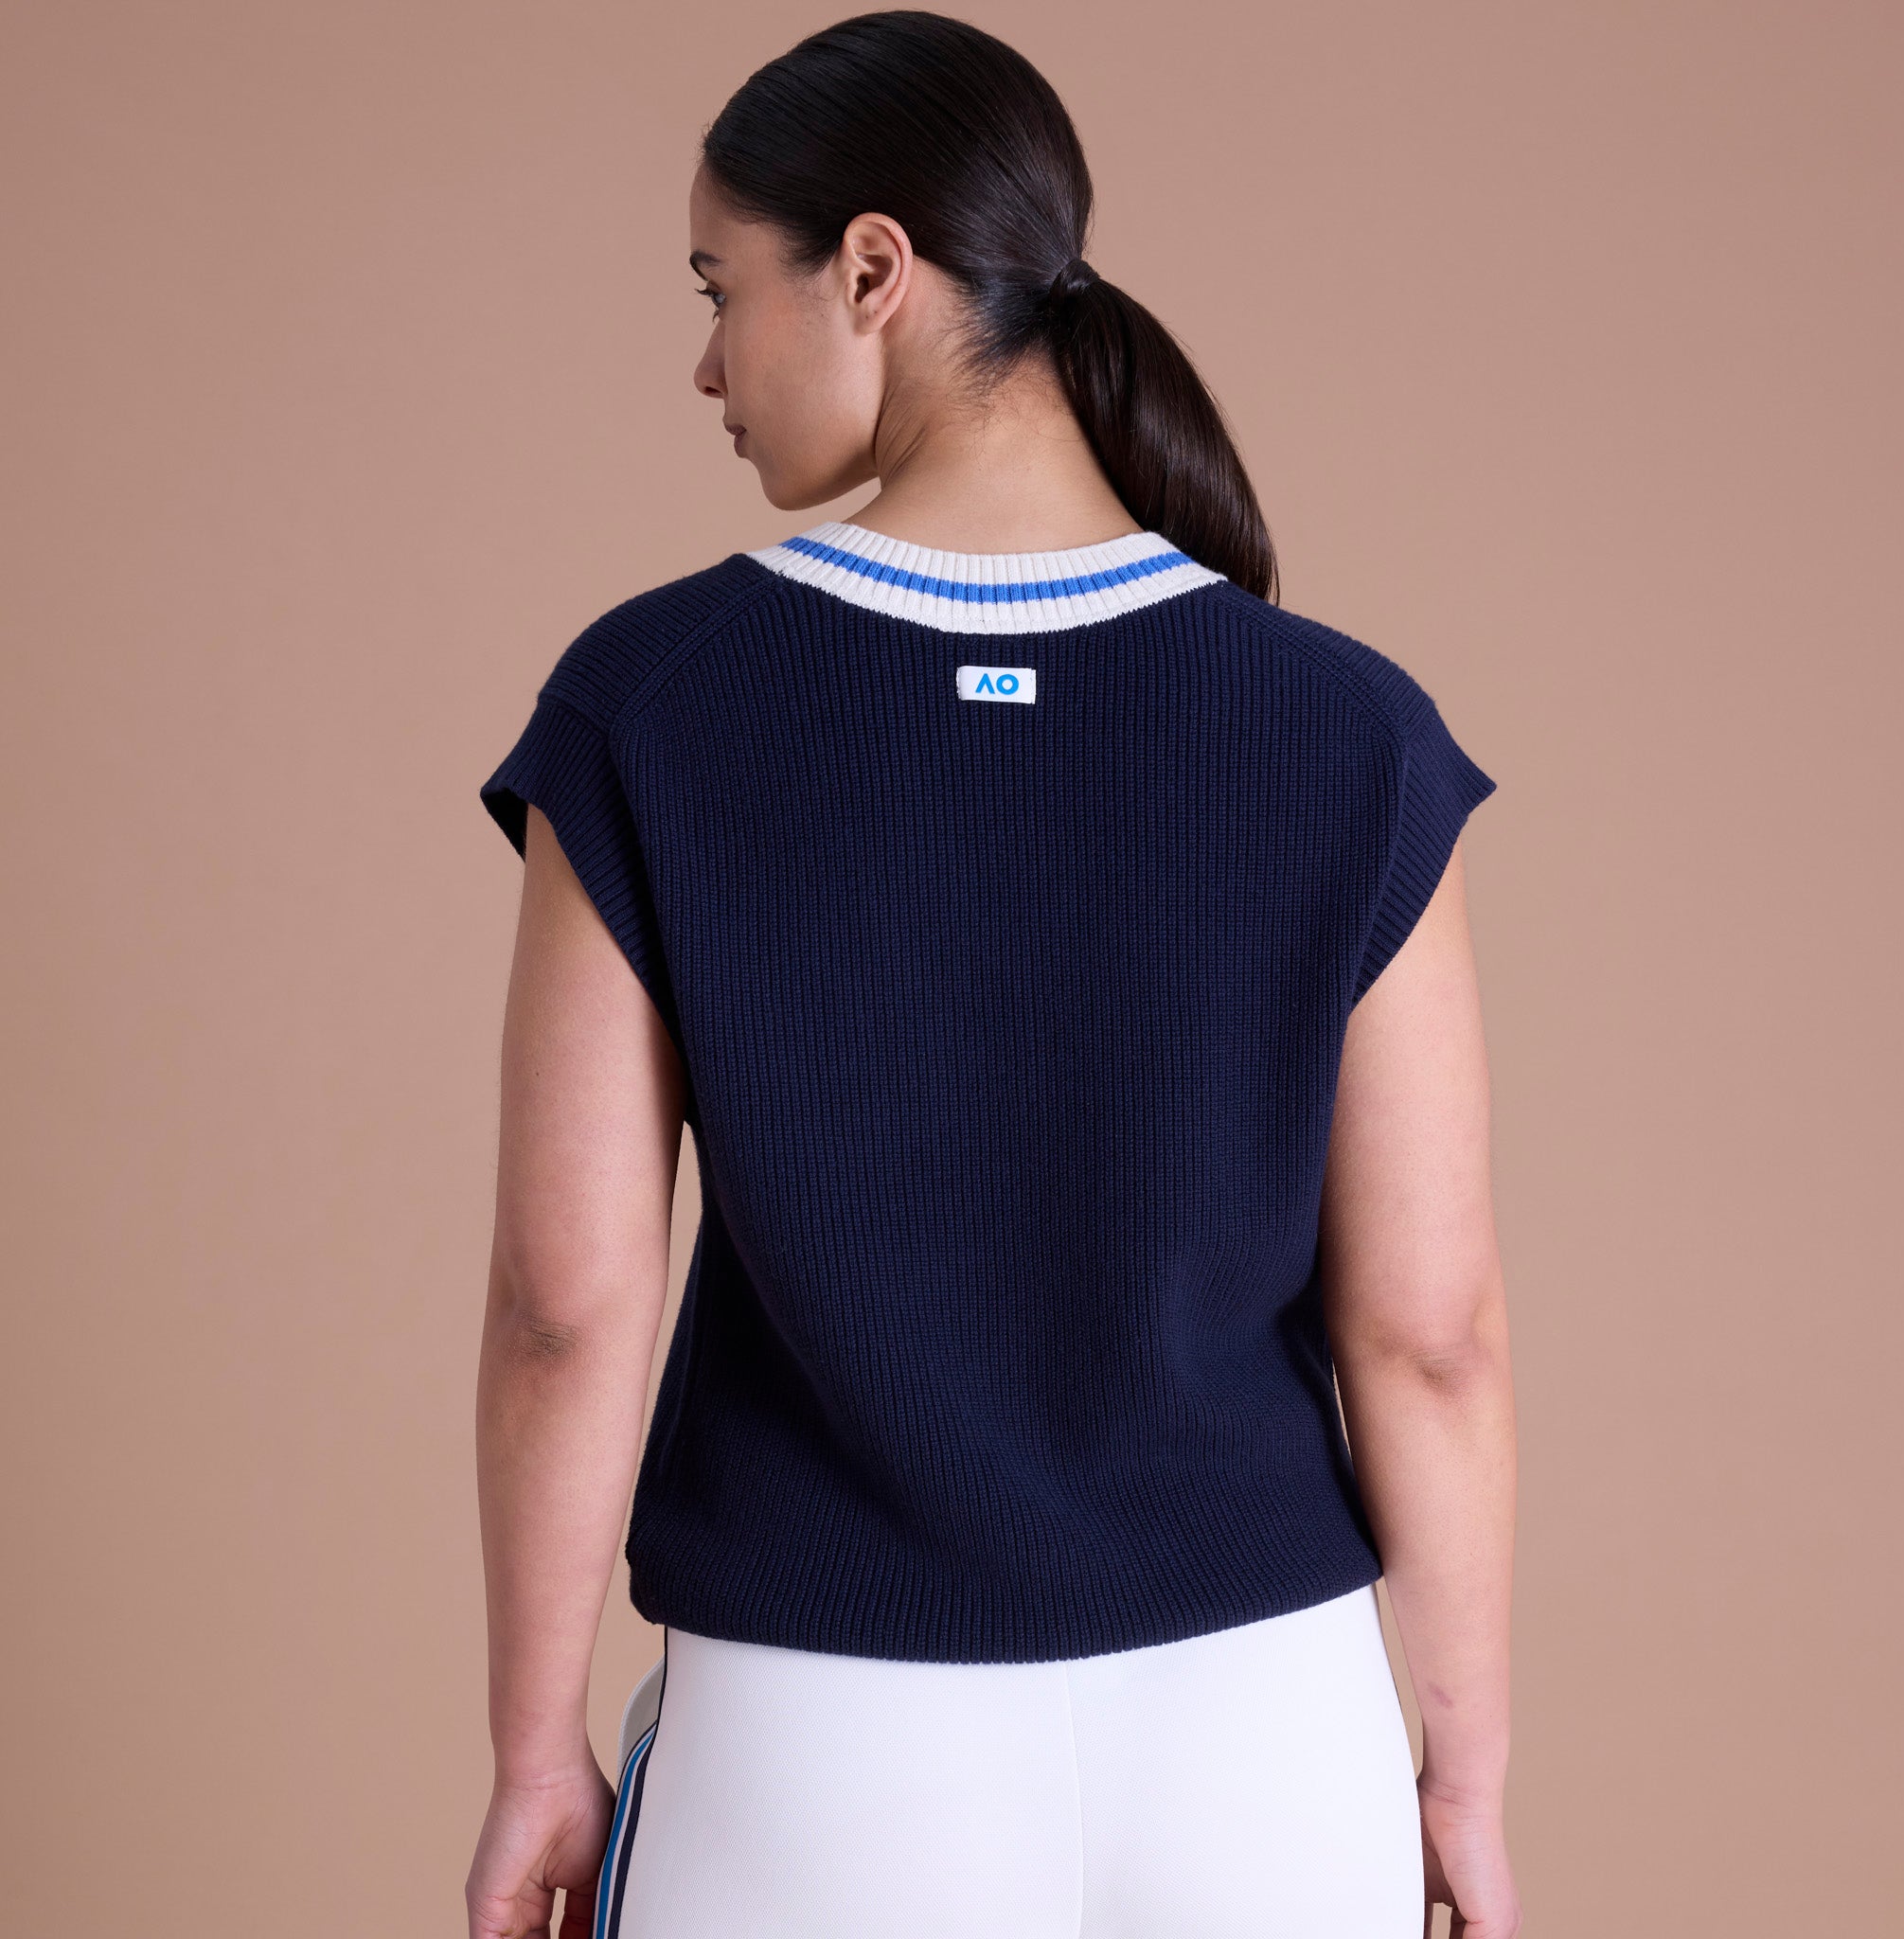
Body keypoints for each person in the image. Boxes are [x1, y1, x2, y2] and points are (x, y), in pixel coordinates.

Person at [464, 12, 1520, 1939]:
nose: (706, 361)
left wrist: (538, 1753)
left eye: (721, 287)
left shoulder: (652, 706)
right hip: (1265, 1738)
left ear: (872, 268)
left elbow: (566, 1306)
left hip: (818, 1745)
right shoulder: (1349, 733)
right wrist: (1458, 1774)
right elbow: (1429, 1334)